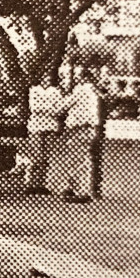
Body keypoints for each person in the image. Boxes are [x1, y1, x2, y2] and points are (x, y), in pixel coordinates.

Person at [60, 67, 101, 203]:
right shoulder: (92, 91)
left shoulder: (80, 89)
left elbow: (63, 106)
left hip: (80, 128)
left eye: (77, 75)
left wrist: (61, 96)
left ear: (84, 78)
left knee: (78, 160)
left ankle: (82, 191)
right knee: (79, 159)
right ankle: (74, 187)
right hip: (88, 128)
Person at [25, 74, 63, 195]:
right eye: (44, 78)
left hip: (50, 126)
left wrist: (47, 108)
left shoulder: (55, 91)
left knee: (46, 157)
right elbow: (35, 108)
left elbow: (59, 108)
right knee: (36, 155)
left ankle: (41, 183)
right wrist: (49, 108)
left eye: (49, 78)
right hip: (36, 126)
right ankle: (30, 182)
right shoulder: (34, 90)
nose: (47, 80)